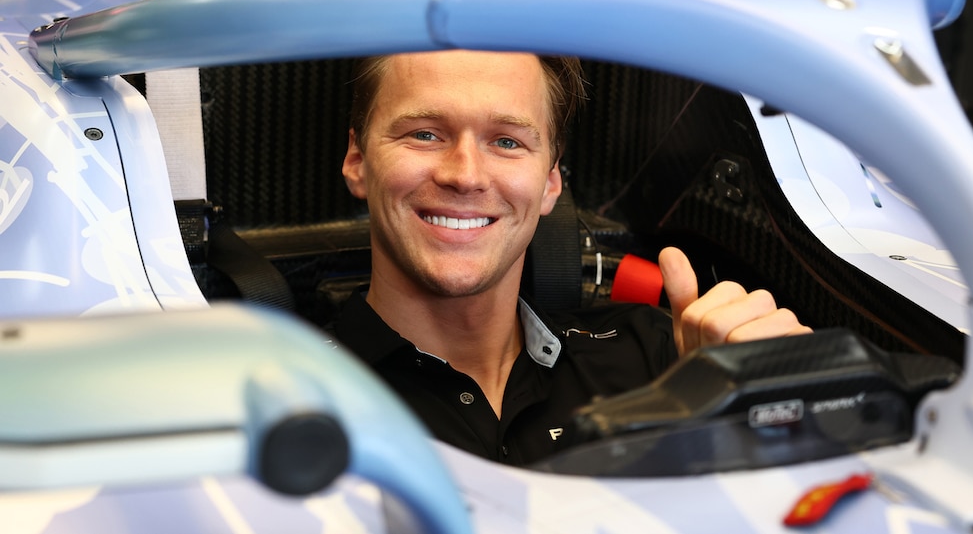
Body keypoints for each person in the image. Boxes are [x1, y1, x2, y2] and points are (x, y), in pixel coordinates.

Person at [327, 49, 810, 466]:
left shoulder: (668, 358)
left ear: (550, 183)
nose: (466, 175)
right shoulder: (293, 395)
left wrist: (767, 409)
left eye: (507, 141)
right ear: (357, 161)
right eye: (425, 134)